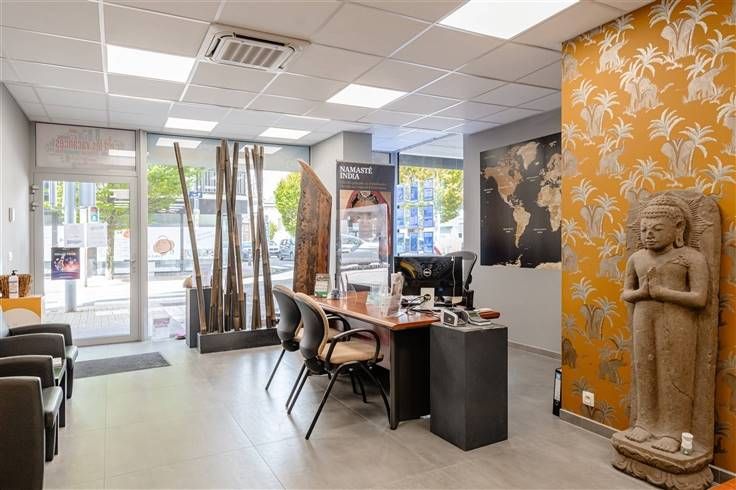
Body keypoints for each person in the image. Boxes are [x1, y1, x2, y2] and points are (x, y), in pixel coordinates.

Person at [621, 194, 709, 453]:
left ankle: (674, 431)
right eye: (644, 230)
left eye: (657, 229)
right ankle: (645, 423)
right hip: (643, 316)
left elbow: (699, 298)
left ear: (678, 228)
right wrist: (642, 293)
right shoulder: (637, 258)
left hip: (678, 321)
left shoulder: (691, 258)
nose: (649, 235)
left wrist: (662, 293)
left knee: (674, 374)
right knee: (644, 370)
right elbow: (626, 293)